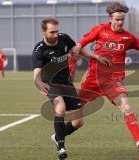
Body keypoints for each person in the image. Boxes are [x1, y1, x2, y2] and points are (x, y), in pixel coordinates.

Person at [73, 2, 139, 154]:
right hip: (93, 80)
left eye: (122, 20)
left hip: (113, 81)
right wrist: (78, 52)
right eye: (117, 19)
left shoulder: (128, 38)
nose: (120, 22)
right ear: (110, 19)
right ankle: (60, 136)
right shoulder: (100, 30)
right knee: (76, 120)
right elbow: (81, 44)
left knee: (126, 107)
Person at [32, 17, 109, 159]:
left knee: (78, 122)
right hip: (51, 85)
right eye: (52, 32)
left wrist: (95, 56)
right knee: (60, 107)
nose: (55, 35)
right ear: (44, 31)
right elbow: (36, 74)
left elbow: (77, 50)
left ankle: (57, 136)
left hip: (67, 84)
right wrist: (40, 84)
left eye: (57, 31)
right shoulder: (39, 50)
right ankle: (61, 147)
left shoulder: (64, 39)